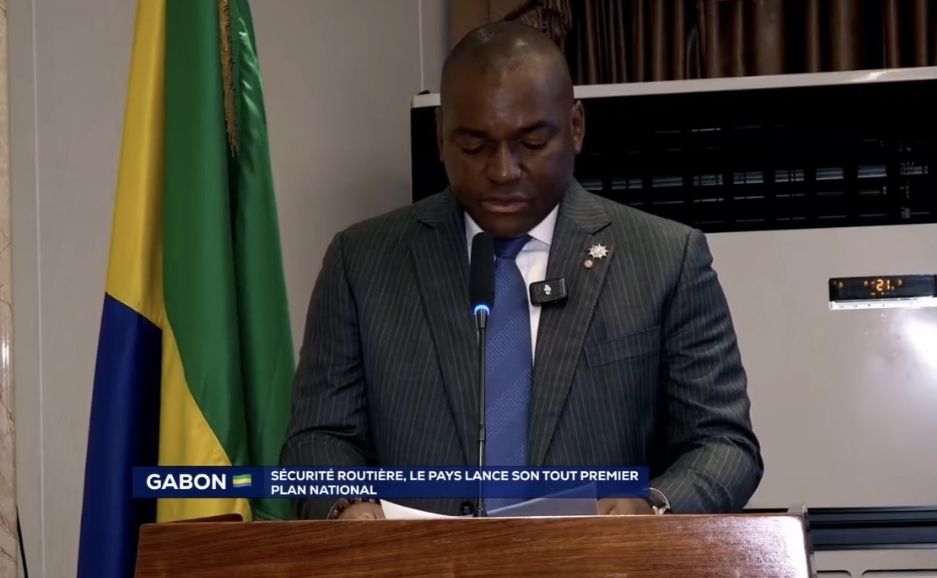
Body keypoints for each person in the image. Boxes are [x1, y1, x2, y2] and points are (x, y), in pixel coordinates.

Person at [280, 21, 762, 520]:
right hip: (416, 558)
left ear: (575, 126)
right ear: (441, 134)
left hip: (598, 559)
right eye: (474, 146)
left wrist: (653, 508)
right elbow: (320, 436)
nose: (503, 170)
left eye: (531, 143)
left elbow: (724, 444)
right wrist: (347, 505)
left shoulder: (665, 257)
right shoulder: (361, 262)